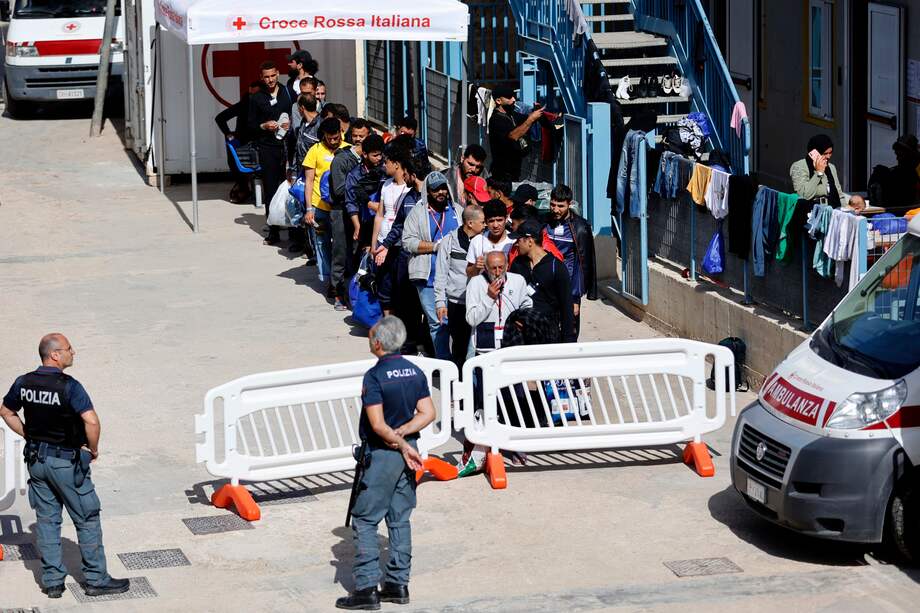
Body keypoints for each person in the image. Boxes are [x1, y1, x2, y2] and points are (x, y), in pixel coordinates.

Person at [0, 334, 129, 599]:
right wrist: (92, 449)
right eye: (69, 349)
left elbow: (5, 411)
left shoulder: (24, 382)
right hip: (66, 464)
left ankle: (53, 582)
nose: (74, 352)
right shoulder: (69, 386)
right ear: (55, 355)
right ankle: (96, 579)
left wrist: (28, 434)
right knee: (87, 518)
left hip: (37, 461)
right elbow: (91, 421)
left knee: (47, 520)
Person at [336, 317, 435, 611]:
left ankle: (366, 588)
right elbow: (428, 413)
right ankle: (398, 583)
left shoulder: (375, 376)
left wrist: (399, 441)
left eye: (370, 336)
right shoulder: (415, 371)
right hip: (409, 450)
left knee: (365, 519)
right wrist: (406, 435)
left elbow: (378, 425)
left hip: (383, 454)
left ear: (378, 343)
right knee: (400, 518)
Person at [401, 171, 463, 360]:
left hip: (455, 277)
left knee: (458, 323)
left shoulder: (457, 211)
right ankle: (446, 363)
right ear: (428, 191)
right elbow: (408, 242)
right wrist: (436, 246)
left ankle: (460, 361)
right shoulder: (417, 213)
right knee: (437, 323)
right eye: (436, 189)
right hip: (428, 278)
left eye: (443, 188)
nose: (440, 192)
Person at [248, 61, 294, 246]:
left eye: (273, 76)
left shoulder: (287, 92)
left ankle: (294, 232)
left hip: (288, 146)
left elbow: (296, 114)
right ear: (261, 78)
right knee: (272, 188)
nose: (270, 80)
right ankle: (273, 230)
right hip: (268, 147)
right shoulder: (256, 98)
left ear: (278, 74)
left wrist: (290, 123)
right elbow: (250, 125)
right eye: (266, 77)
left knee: (291, 187)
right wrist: (264, 126)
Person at [435, 205, 485, 369]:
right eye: (482, 222)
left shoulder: (485, 241)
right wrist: (440, 302)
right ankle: (459, 385)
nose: (485, 225)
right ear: (470, 223)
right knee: (459, 347)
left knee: (477, 347)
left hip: (480, 302)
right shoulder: (449, 241)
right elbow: (441, 274)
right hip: (457, 303)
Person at [545, 184, 598, 339]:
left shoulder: (580, 227)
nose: (555, 210)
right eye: (552, 205)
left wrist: (575, 298)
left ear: (569, 204)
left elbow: (582, 265)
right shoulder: (545, 222)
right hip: (546, 285)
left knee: (569, 332)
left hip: (567, 287)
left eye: (560, 206)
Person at [510, 219, 575, 342]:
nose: (516, 244)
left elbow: (567, 308)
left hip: (548, 334)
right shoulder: (517, 264)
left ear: (530, 241)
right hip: (521, 334)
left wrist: (569, 342)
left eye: (518, 240)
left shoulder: (557, 267)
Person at [329, 119, 371, 309]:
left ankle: (354, 293)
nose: (357, 140)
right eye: (354, 136)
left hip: (362, 214)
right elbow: (339, 190)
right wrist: (362, 189)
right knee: (341, 252)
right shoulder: (342, 159)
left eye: (362, 136)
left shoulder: (371, 159)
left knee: (357, 255)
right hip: (341, 213)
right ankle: (337, 292)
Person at [303, 117, 350, 288]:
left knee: (341, 245)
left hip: (340, 209)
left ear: (341, 132)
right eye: (328, 138)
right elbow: (309, 181)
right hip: (319, 208)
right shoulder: (314, 151)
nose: (332, 141)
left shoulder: (348, 149)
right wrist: (309, 209)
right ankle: (329, 280)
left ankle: (340, 279)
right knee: (322, 243)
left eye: (335, 137)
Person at [372, 148, 415, 315]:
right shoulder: (386, 184)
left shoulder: (408, 189)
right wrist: (374, 243)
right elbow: (379, 215)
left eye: (387, 162)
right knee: (384, 286)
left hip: (399, 246)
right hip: (383, 244)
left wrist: (388, 246)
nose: (384, 165)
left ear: (396, 164)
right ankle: (387, 323)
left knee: (399, 286)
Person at [465, 251, 532, 355]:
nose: (497, 272)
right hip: (486, 347)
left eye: (501, 267)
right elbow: (472, 319)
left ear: (507, 266)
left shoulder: (518, 280)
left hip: (512, 342)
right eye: (493, 268)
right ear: (486, 268)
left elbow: (527, 306)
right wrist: (489, 297)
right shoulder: (475, 283)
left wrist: (522, 320)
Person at [215, 80, 260, 204]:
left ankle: (247, 186)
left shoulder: (264, 105)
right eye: (251, 94)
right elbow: (220, 118)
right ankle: (244, 186)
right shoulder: (244, 105)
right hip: (246, 146)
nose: (253, 97)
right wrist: (229, 134)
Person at [488, 85, 543, 181]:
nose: (513, 99)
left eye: (513, 96)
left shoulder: (511, 114)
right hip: (502, 174)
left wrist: (536, 112)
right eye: (509, 97)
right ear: (498, 101)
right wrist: (531, 119)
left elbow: (525, 119)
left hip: (515, 171)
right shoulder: (496, 119)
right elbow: (513, 136)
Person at [790, 135, 859, 209]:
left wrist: (846, 209)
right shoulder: (799, 167)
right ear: (814, 153)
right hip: (809, 212)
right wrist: (819, 173)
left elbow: (839, 194)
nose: (828, 156)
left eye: (830, 153)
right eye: (825, 153)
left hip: (831, 210)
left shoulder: (831, 167)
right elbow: (804, 195)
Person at [345, 134, 386, 258]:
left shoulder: (386, 171)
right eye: (375, 155)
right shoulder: (355, 175)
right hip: (366, 223)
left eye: (380, 154)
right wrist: (357, 226)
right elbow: (350, 202)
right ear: (364, 154)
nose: (379, 158)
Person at [466, 199, 514, 277]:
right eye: (491, 221)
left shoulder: (513, 241)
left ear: (506, 219)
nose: (495, 225)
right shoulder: (477, 241)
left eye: (499, 220)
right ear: (485, 221)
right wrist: (476, 267)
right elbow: (469, 273)